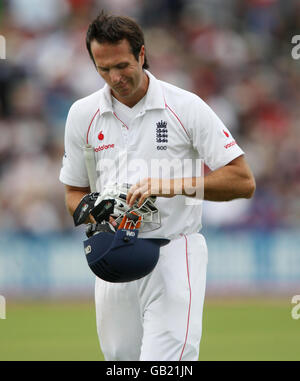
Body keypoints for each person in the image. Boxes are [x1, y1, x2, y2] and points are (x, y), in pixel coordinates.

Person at [59, 11, 256, 361]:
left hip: (174, 251)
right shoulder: (81, 114)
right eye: (103, 70)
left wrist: (173, 186)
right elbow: (73, 193)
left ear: (142, 54)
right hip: (112, 254)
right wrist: (92, 211)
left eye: (122, 66)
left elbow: (243, 181)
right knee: (121, 363)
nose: (115, 78)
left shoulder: (185, 106)